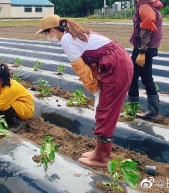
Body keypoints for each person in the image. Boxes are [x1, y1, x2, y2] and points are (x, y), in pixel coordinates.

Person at [35, 15, 133, 168]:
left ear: (53, 30)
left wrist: (95, 89)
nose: (47, 37)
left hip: (117, 66)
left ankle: (101, 157)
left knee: (105, 109)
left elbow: (81, 69)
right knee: (103, 107)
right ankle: (99, 151)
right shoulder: (72, 34)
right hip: (116, 62)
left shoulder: (67, 40)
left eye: (46, 34)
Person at [118, 0, 163, 121]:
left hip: (144, 48)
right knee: (145, 76)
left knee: (132, 77)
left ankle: (132, 111)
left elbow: (147, 29)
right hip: (147, 47)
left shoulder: (144, 6)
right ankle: (152, 112)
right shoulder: (144, 4)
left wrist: (142, 52)